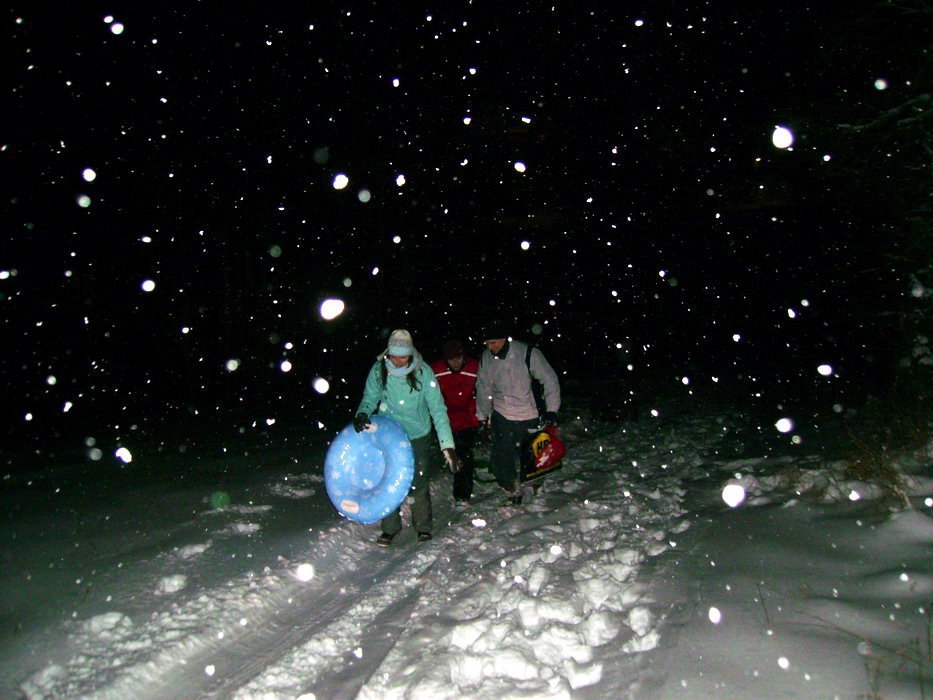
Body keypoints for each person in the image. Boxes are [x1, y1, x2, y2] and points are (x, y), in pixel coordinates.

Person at [354, 329, 461, 546]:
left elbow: (438, 410)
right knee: (388, 481)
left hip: (417, 435)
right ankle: (390, 528)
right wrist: (362, 413)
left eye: (403, 356)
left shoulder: (423, 372)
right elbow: (369, 397)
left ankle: (423, 527)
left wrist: (447, 446)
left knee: (417, 483)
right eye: (394, 356)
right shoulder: (379, 370)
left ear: (411, 354)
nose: (398, 360)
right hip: (388, 435)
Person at [475, 324, 561, 504]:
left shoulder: (528, 354)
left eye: (493, 342)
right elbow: (483, 388)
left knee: (534, 456)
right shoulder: (486, 359)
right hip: (502, 414)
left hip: (530, 413)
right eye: (487, 344)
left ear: (504, 338)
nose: (490, 347)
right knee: (501, 457)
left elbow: (550, 380)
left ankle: (535, 485)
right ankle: (512, 489)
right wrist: (482, 417)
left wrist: (552, 410)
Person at [430, 339, 480, 505]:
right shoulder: (436, 371)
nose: (456, 362)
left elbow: (484, 390)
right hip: (445, 420)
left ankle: (462, 495)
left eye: (458, 358)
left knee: (463, 453)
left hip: (468, 419)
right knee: (454, 453)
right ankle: (461, 482)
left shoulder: (475, 368)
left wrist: (479, 414)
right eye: (452, 359)